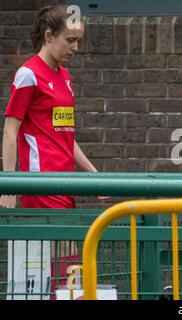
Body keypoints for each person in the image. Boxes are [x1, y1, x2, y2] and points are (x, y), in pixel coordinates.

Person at [0, 4, 100, 297]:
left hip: (64, 185)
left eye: (78, 40)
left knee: (63, 266)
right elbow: (10, 130)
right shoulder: (28, 75)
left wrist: (93, 174)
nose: (76, 47)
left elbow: (66, 135)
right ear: (48, 36)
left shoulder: (66, 78)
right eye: (70, 40)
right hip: (40, 185)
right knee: (56, 264)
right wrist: (9, 185)